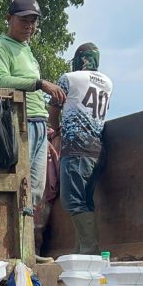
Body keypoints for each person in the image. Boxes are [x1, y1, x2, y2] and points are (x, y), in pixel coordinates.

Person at [0, 0, 66, 262]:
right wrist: (39, 84)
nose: (29, 26)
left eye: (33, 21)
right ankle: (13, 251)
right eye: (24, 20)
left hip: (39, 123)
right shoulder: (0, 46)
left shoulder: (27, 51)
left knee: (35, 191)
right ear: (9, 19)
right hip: (18, 123)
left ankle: (27, 250)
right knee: (17, 187)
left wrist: (49, 126)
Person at [48, 43, 113, 255]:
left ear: (80, 58)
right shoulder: (108, 83)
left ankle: (90, 251)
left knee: (72, 200)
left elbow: (54, 109)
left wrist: (55, 129)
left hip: (76, 149)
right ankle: (80, 252)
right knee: (85, 201)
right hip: (96, 150)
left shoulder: (69, 78)